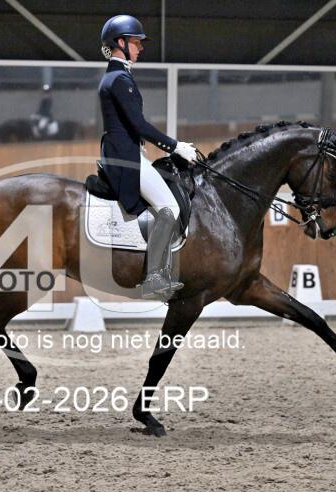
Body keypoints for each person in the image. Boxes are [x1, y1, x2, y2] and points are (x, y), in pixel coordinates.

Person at [98, 14, 198, 300]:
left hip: (123, 153)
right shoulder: (119, 79)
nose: (141, 48)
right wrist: (175, 146)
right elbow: (139, 125)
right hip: (126, 158)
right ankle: (153, 276)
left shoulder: (117, 76)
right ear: (120, 42)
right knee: (170, 207)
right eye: (136, 42)